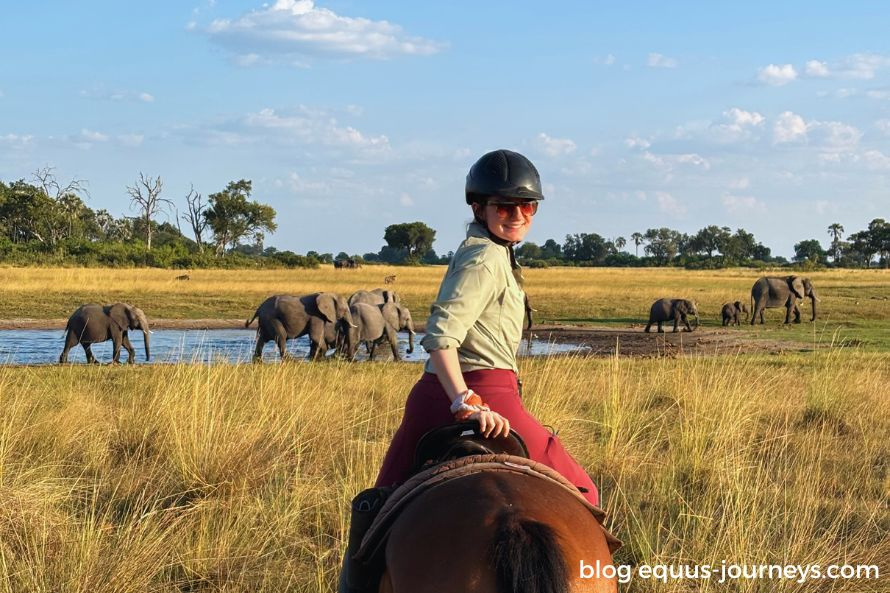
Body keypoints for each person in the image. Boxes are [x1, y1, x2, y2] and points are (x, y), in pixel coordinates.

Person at [339, 149, 600, 593]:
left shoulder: (495, 254)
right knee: (584, 492)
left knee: (377, 510)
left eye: (527, 206)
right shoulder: (483, 259)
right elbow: (441, 336)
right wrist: (463, 399)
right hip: (471, 394)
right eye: (504, 206)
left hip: (482, 391)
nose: (517, 215)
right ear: (479, 207)